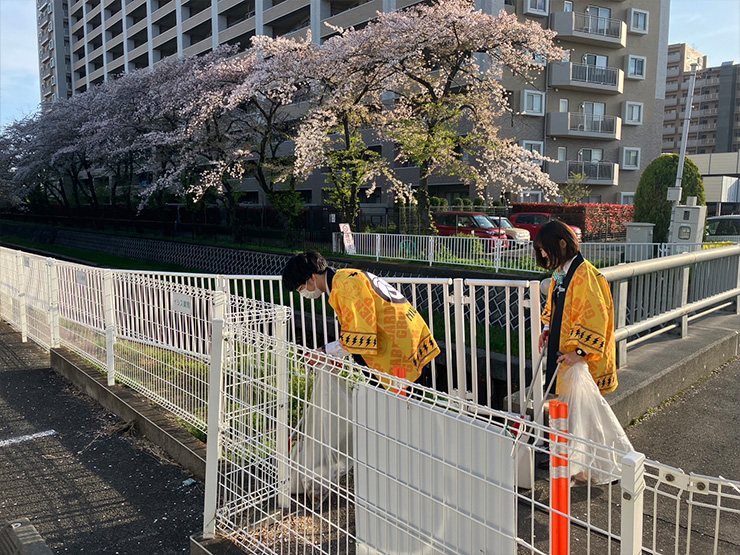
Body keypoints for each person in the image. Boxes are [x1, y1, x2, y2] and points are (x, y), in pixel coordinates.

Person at [281, 251, 440, 389]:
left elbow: (358, 336)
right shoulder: (345, 277)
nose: (303, 293)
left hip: (401, 350)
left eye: (301, 288)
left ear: (312, 277)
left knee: (405, 410)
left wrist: (324, 352)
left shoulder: (345, 287)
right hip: (409, 341)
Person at [534, 221, 617, 396]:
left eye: (545, 249)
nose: (543, 254)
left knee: (581, 408)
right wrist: (548, 328)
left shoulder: (584, 274)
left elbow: (596, 317)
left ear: (562, 244)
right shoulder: (563, 271)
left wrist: (580, 352)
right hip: (567, 351)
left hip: (578, 357)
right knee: (570, 407)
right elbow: (555, 304)